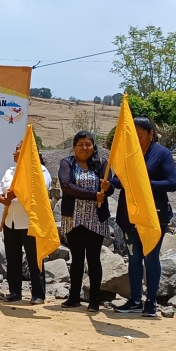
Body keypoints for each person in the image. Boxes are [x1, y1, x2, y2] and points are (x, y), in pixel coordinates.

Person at [113, 117, 176, 317]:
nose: (136, 140)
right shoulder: (128, 153)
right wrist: (117, 182)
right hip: (129, 215)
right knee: (133, 258)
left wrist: (145, 183)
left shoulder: (162, 154)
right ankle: (134, 300)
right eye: (133, 136)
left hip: (154, 215)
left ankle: (151, 301)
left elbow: (172, 183)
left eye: (139, 136)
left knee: (151, 258)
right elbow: (117, 178)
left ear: (150, 134)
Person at [58, 131, 113, 312]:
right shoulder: (67, 163)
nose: (84, 148)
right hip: (73, 218)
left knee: (94, 259)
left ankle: (94, 299)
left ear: (93, 146)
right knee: (77, 259)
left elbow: (110, 189)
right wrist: (93, 195)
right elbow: (67, 186)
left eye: (88, 144)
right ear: (74, 147)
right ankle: (74, 296)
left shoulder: (102, 164)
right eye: (80, 144)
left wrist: (108, 187)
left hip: (95, 219)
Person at [0, 141, 52, 304]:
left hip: (30, 222)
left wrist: (18, 194)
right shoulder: (10, 171)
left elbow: (42, 189)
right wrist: (1, 197)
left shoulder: (41, 171)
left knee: (35, 259)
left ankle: (38, 294)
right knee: (12, 258)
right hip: (10, 221)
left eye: (18, 150)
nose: (14, 152)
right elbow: (0, 189)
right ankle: (15, 291)